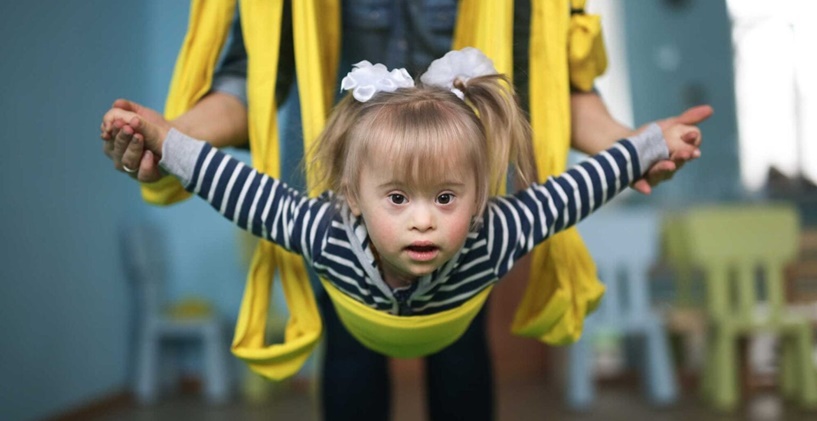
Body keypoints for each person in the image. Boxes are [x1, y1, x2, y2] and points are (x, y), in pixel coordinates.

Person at [101, 48, 702, 418]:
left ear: (482, 194)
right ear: (351, 198)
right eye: (396, 198)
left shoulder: (496, 230)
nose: (423, 219)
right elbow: (230, 183)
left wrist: (650, 143)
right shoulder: (324, 229)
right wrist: (164, 137)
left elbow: (582, 186)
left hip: (455, 323)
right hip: (353, 314)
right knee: (350, 376)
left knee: (464, 378)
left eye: (446, 197)